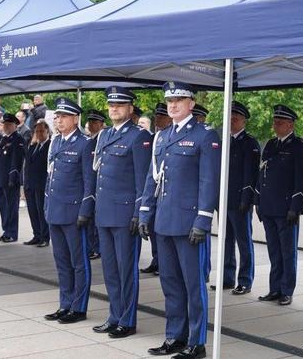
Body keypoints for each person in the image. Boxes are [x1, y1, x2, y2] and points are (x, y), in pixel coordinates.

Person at [139, 82, 220, 359]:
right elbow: (153, 178)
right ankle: (175, 336)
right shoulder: (161, 137)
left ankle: (196, 342)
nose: (172, 105)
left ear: (191, 104)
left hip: (188, 223)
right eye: (169, 100)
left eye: (179, 99)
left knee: (193, 284)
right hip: (164, 220)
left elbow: (209, 181)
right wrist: (145, 212)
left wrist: (203, 220)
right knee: (170, 283)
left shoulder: (203, 135)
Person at [91, 86, 152, 339]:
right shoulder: (104, 135)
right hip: (105, 212)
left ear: (130, 109)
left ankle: (127, 320)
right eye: (111, 105)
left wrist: (139, 213)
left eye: (119, 105)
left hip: (125, 214)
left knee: (126, 269)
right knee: (110, 269)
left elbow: (143, 179)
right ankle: (114, 314)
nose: (114, 108)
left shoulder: (139, 136)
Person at [44, 97, 96, 324]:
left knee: (78, 262)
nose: (59, 120)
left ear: (75, 119)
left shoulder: (84, 143)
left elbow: (89, 181)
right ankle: (65, 303)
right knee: (61, 261)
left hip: (74, 212)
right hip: (55, 210)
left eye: (64, 116)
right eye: (57, 116)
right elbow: (51, 176)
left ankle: (78, 307)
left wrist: (85, 210)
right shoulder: (56, 141)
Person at [255, 105, 303, 306]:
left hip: (286, 208)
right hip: (269, 206)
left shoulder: (299, 146)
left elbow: (301, 179)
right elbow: (262, 174)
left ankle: (287, 290)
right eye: (275, 121)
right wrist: (258, 200)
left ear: (290, 124)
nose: (275, 125)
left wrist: (295, 207)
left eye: (280, 122)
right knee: (274, 251)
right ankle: (274, 288)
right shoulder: (270, 145)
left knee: (288, 252)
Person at [211, 101, 259, 296]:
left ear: (244, 121)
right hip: (224, 201)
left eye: (236, 119)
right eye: (230, 118)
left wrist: (246, 199)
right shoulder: (225, 142)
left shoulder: (249, 143)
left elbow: (251, 174)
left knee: (244, 242)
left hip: (240, 202)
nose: (232, 122)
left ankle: (245, 280)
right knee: (225, 241)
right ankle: (227, 278)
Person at [141, 102, 173, 277]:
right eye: (156, 117)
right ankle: (156, 260)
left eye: (161, 116)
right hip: (153, 192)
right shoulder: (155, 138)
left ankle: (162, 263)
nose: (157, 120)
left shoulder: (167, 137)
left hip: (167, 194)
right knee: (153, 230)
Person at [0, 113, 25, 242]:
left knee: (11, 207)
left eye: (8, 124)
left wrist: (12, 178)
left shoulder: (17, 139)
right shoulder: (4, 138)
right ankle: (6, 230)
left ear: (14, 125)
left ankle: (12, 233)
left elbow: (16, 161)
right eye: (4, 124)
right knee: (3, 207)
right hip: (0, 178)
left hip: (10, 179)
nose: (5, 126)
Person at [23, 119, 51, 247]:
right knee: (32, 211)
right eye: (37, 131)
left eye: (41, 131)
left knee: (41, 211)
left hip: (41, 184)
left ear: (47, 131)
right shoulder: (33, 146)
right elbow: (27, 165)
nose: (39, 134)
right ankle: (37, 234)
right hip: (30, 184)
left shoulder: (49, 146)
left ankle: (45, 237)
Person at [85, 109, 106, 260]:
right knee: (90, 220)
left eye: (95, 122)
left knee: (95, 220)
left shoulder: (102, 140)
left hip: (98, 186)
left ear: (101, 124)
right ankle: (93, 246)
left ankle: (97, 248)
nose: (91, 125)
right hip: (89, 186)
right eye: (90, 122)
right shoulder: (90, 140)